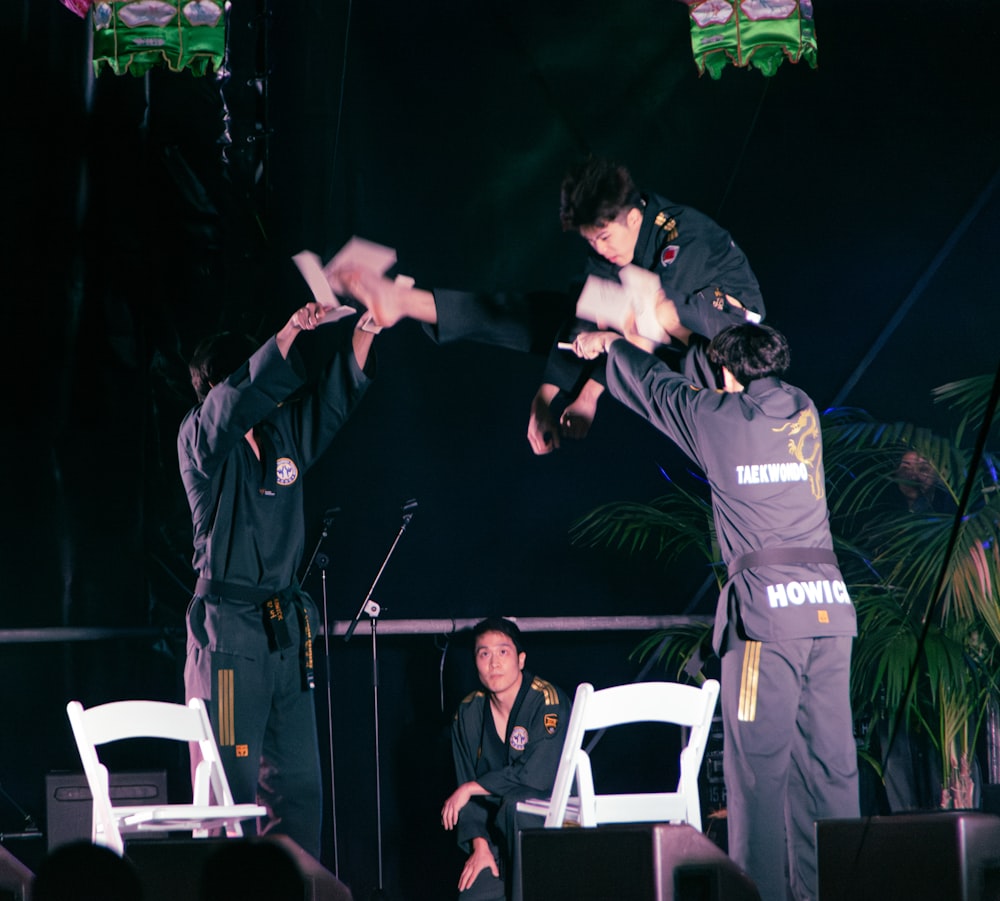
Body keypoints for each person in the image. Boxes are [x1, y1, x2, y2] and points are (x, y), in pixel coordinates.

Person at [570, 321, 858, 901]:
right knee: (830, 774)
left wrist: (611, 345)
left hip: (765, 623)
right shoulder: (801, 409)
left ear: (727, 374)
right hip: (829, 611)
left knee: (755, 778)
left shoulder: (716, 420)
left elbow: (655, 389)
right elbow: (740, 380)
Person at [331, 155, 764, 456]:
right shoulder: (611, 247)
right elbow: (587, 320)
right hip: (657, 338)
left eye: (606, 238)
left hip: (726, 348)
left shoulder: (684, 238)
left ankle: (405, 300)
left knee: (643, 309)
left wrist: (592, 391)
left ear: (633, 218)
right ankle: (406, 300)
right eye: (591, 241)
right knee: (565, 307)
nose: (602, 250)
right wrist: (547, 400)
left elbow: (652, 326)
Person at [177, 298, 377, 859]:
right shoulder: (200, 443)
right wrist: (288, 329)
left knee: (299, 787)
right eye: (259, 368)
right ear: (220, 384)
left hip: (283, 634)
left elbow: (331, 406)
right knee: (231, 789)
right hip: (229, 638)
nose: (274, 382)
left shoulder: (282, 436)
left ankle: (296, 887)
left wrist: (365, 330)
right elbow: (232, 403)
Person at [442, 617, 571, 901]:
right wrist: (479, 845)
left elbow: (537, 777)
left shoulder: (547, 701)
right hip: (499, 839)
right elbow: (466, 785)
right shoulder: (468, 713)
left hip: (549, 831)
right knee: (474, 894)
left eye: (503, 652)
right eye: (484, 653)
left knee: (517, 805)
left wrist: (471, 788)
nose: (494, 662)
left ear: (521, 659)